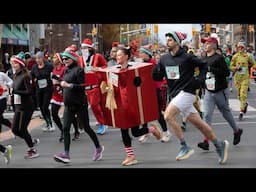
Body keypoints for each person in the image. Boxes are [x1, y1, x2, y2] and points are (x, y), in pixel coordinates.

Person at [152, 31, 229, 164]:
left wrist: (199, 80)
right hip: (175, 94)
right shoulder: (164, 59)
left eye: (170, 39)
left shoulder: (187, 57)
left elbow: (204, 66)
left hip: (187, 92)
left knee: (168, 116)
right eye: (167, 39)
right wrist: (154, 71)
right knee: (200, 125)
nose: (167, 42)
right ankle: (219, 145)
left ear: (177, 42)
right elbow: (158, 76)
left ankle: (184, 146)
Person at [53, 49, 104, 164]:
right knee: (65, 128)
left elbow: (82, 86)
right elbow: (64, 83)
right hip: (68, 105)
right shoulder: (66, 71)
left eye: (67, 58)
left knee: (86, 128)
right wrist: (60, 85)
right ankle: (66, 154)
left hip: (80, 104)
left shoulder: (79, 70)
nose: (64, 61)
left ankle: (98, 147)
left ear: (73, 59)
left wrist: (69, 85)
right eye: (63, 59)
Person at [115, 46, 161, 166]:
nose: (117, 57)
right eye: (116, 55)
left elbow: (140, 84)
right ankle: (131, 156)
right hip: (121, 105)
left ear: (126, 56)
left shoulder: (134, 69)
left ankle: (151, 129)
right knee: (123, 129)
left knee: (135, 132)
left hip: (132, 105)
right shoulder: (115, 70)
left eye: (119, 55)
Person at [197, 37, 243, 151]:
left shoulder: (219, 58)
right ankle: (206, 141)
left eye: (207, 43)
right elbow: (203, 74)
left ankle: (237, 131)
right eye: (204, 43)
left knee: (226, 113)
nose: (205, 45)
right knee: (207, 115)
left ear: (213, 45)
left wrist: (211, 69)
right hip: (208, 91)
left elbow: (226, 73)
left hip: (220, 91)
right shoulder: (203, 58)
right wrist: (201, 84)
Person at [137, 44, 171, 143]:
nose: (140, 54)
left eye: (142, 52)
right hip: (144, 92)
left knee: (157, 113)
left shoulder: (153, 65)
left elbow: (158, 78)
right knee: (143, 113)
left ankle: (166, 132)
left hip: (154, 91)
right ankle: (145, 133)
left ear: (147, 54)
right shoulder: (141, 64)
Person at [11, 52, 40, 159]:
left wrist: (16, 91)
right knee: (14, 129)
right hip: (18, 106)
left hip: (27, 106)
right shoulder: (15, 76)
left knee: (22, 129)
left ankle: (32, 150)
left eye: (15, 64)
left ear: (21, 64)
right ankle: (31, 141)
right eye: (12, 63)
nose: (13, 65)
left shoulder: (26, 76)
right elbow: (15, 91)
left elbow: (29, 92)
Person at [78, 38, 108, 135]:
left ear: (90, 48)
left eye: (85, 48)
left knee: (95, 105)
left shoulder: (97, 56)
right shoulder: (80, 58)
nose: (83, 49)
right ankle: (85, 124)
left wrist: (98, 69)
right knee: (84, 107)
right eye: (82, 48)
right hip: (84, 85)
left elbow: (106, 66)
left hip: (95, 84)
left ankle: (102, 123)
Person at [50, 53, 80, 142]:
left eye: (55, 57)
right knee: (54, 114)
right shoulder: (54, 69)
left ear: (59, 59)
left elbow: (66, 81)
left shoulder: (65, 69)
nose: (53, 59)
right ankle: (62, 131)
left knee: (71, 114)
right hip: (56, 95)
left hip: (65, 94)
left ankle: (76, 131)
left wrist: (58, 81)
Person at [230, 41, 256, 120]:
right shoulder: (235, 56)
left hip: (245, 78)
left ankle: (241, 112)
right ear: (237, 48)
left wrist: (250, 66)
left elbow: (254, 64)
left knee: (243, 94)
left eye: (242, 47)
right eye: (239, 47)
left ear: (244, 48)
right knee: (239, 96)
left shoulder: (248, 56)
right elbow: (231, 66)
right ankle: (245, 104)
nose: (240, 48)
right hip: (237, 78)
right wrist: (235, 68)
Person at [31, 51, 55, 131]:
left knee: (45, 106)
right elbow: (32, 76)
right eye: (36, 58)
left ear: (43, 58)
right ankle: (47, 123)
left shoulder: (49, 66)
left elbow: (54, 75)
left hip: (48, 89)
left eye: (39, 58)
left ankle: (51, 124)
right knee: (41, 107)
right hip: (39, 89)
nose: (37, 60)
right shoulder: (34, 67)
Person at [0, 63, 13, 133]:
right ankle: (13, 127)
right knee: (1, 119)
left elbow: (11, 81)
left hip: (2, 98)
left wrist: (7, 86)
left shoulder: (1, 74)